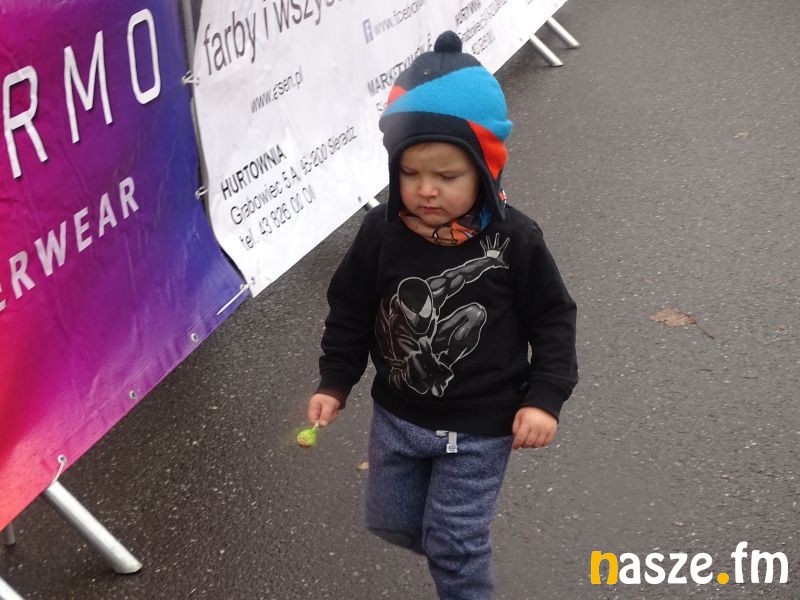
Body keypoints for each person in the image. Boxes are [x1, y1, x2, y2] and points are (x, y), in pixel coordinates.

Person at [305, 30, 578, 600]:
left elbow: (553, 317)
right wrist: (335, 381)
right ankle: (447, 545)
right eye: (410, 173)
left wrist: (544, 397)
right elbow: (351, 309)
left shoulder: (515, 239)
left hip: (479, 426)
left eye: (447, 176)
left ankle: (461, 572)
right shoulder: (380, 233)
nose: (426, 191)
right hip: (397, 418)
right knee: (392, 522)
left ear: (485, 167)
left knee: (455, 544)